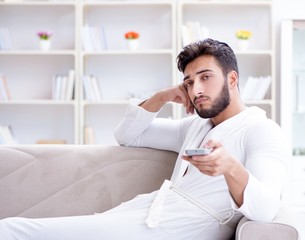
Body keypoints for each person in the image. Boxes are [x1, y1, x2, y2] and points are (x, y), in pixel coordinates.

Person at [0, 38, 289, 240]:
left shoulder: (262, 130)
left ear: (233, 79)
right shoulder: (194, 127)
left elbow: (266, 209)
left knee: (14, 231)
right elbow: (128, 135)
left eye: (205, 77)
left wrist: (230, 168)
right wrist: (162, 97)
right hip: (144, 215)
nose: (196, 89)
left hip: (178, 229)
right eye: (188, 82)